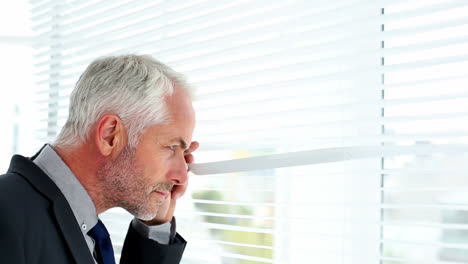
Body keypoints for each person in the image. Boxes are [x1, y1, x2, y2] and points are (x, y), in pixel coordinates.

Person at [0, 54, 199, 264]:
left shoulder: (81, 226)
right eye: (172, 147)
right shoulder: (6, 216)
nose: (181, 177)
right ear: (110, 135)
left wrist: (156, 226)